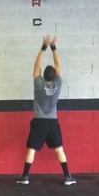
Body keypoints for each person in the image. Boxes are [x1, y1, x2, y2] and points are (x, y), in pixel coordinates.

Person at [16, 35, 76, 186]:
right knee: (59, 149)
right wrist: (54, 48)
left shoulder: (38, 84)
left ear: (43, 75)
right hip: (52, 122)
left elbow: (36, 66)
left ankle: (25, 177)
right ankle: (68, 177)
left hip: (39, 122)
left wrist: (44, 46)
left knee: (32, 149)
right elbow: (59, 66)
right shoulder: (58, 83)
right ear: (55, 75)